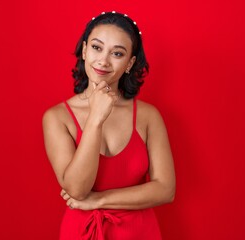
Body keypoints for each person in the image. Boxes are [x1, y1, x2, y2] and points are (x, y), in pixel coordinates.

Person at [43, 11, 175, 240]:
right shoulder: (57, 117)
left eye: (117, 53)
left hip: (140, 233)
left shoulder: (148, 116)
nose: (103, 60)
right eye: (96, 47)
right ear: (84, 50)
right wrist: (96, 118)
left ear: (129, 63)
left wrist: (100, 200)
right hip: (82, 233)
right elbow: (77, 189)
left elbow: (165, 189)